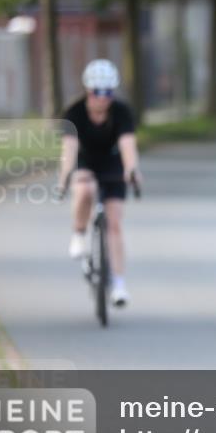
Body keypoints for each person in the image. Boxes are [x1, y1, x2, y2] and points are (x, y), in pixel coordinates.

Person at [57, 59, 142, 307]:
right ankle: (78, 233)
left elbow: (127, 145)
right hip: (85, 161)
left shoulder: (122, 112)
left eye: (108, 92)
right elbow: (69, 150)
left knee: (114, 224)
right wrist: (65, 178)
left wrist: (132, 170)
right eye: (97, 92)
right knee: (85, 188)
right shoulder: (74, 113)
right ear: (88, 91)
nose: (102, 98)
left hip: (112, 163)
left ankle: (118, 284)